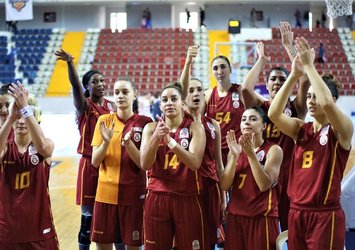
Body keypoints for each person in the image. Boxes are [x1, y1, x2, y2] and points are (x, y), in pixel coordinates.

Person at [268, 37, 353, 250]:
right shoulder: (300, 129)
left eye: (316, 96)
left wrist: (309, 66)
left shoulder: (341, 129)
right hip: (296, 212)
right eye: (309, 96)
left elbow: (325, 102)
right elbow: (273, 113)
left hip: (325, 215)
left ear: (333, 100)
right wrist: (295, 75)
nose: (311, 101)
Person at [241, 21, 310, 231]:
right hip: (262, 174)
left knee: (290, 231)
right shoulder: (261, 107)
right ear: (267, 84)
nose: (278, 82)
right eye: (273, 79)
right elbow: (245, 89)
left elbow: (305, 80)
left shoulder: (296, 107)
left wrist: (289, 47)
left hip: (290, 179)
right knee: (266, 232)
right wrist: (261, 60)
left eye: (281, 78)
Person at [55, 49, 115, 250]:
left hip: (111, 164)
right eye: (95, 81)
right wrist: (70, 63)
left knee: (111, 215)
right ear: (87, 87)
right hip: (89, 164)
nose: (100, 84)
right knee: (87, 219)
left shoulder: (113, 107)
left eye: (102, 80)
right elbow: (74, 86)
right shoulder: (85, 106)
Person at [140, 82, 206, 249]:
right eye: (165, 100)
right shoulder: (150, 128)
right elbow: (144, 164)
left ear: (182, 103)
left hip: (187, 197)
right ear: (160, 105)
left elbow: (195, 163)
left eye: (173, 99)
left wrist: (170, 142)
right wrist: (156, 138)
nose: (169, 103)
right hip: (157, 198)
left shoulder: (195, 127)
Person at [91, 78, 151, 250]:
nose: (120, 96)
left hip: (133, 195)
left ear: (135, 94)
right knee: (102, 245)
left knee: (133, 245)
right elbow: (95, 161)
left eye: (125, 92)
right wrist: (106, 142)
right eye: (116, 92)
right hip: (105, 194)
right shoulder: (103, 121)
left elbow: (144, 164)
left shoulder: (145, 122)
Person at [0, 82, 59, 249]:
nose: (21, 121)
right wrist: (11, 117)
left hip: (41, 230)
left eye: (25, 116)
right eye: (17, 117)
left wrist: (26, 108)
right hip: (8, 231)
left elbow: (45, 149)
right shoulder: (5, 146)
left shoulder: (44, 144)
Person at [220, 107, 283, 250]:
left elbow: (264, 185)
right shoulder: (235, 150)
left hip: (261, 218)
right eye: (244, 119)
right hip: (236, 217)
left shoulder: (274, 150)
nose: (247, 122)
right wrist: (235, 156)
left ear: (264, 126)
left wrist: (251, 155)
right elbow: (224, 185)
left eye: (253, 119)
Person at [183, 75, 226, 249]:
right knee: (187, 239)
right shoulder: (180, 123)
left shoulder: (213, 124)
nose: (195, 93)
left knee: (209, 240)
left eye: (199, 89)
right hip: (187, 191)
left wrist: (223, 198)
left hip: (210, 189)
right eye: (191, 90)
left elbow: (218, 163)